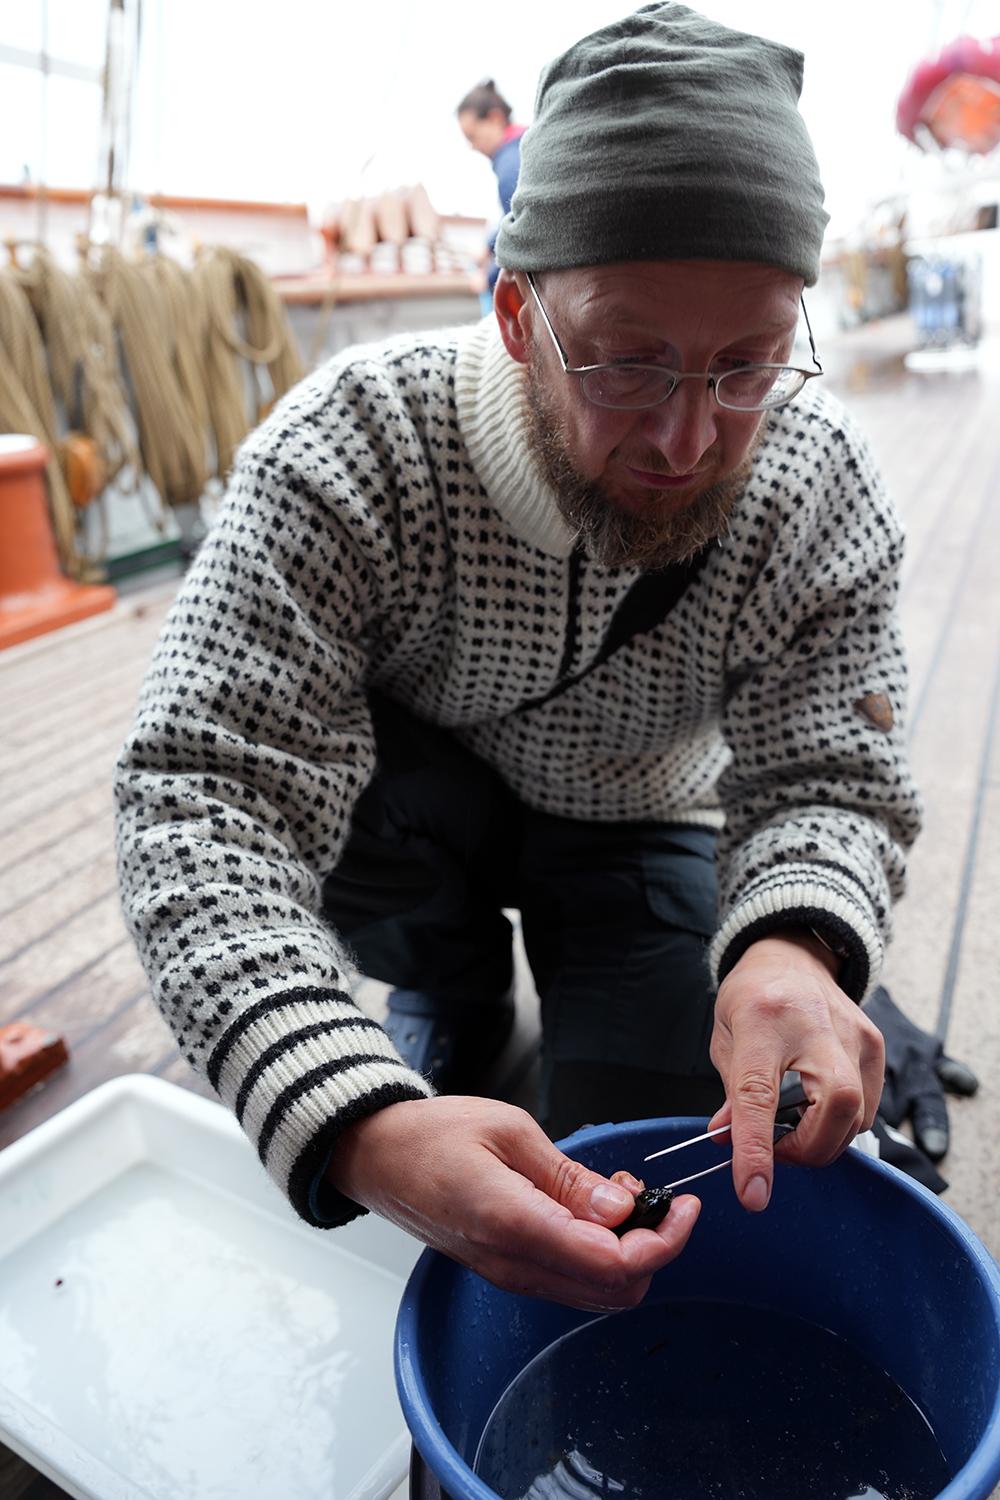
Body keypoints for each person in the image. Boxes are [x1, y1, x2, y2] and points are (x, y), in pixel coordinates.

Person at [115, 3, 921, 1312]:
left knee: (655, 1139)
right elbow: (203, 795)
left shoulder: (819, 481)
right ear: (511, 313)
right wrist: (356, 1118)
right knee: (372, 857)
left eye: (748, 367)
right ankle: (453, 990)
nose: (686, 440)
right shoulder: (358, 447)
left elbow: (834, 773)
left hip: (644, 820)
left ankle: (563, 995)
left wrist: (788, 950)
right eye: (626, 361)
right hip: (419, 810)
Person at [456, 79, 525, 307]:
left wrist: (487, 278)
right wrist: (488, 247)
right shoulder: (524, 148)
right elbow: (513, 216)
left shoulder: (509, 165)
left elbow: (521, 230)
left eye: (472, 136)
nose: (472, 147)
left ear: (495, 119)